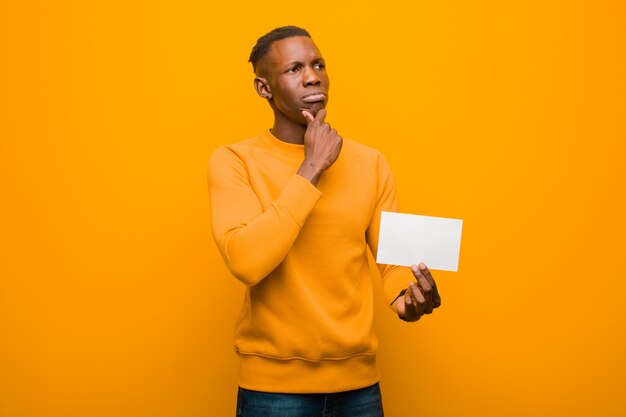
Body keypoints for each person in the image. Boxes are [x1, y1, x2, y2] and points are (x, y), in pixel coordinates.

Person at [207, 25, 441, 417]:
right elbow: (246, 261)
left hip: (360, 389)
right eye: (294, 69)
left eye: (318, 64)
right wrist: (312, 167)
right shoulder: (234, 161)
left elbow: (394, 262)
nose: (313, 76)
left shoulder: (370, 162)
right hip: (273, 393)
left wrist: (408, 297)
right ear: (264, 88)